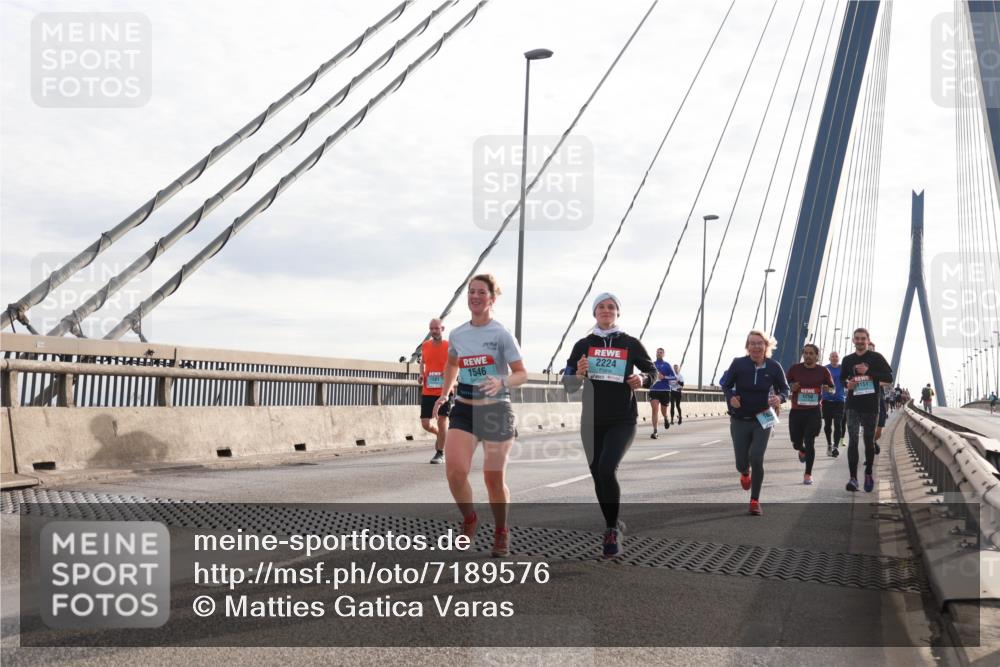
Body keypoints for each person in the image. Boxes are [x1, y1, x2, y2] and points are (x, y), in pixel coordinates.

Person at [433, 274, 527, 558]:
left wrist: (503, 382)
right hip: (464, 408)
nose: (475, 296)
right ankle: (470, 519)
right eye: (471, 292)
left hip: (496, 410)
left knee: (493, 478)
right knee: (455, 473)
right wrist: (445, 391)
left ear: (492, 298)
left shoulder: (501, 334)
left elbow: (521, 373)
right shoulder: (459, 334)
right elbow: (452, 363)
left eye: (481, 292)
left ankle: (501, 530)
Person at [563, 292, 657, 558]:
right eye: (601, 307)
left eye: (611, 307)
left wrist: (643, 379)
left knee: (606, 468)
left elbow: (653, 372)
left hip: (622, 419)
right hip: (591, 420)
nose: (606, 310)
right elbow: (569, 386)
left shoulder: (629, 342)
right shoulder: (583, 344)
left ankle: (611, 530)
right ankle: (613, 522)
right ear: (594, 313)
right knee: (597, 473)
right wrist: (577, 373)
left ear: (617, 313)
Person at [719, 330, 790, 515]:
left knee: (757, 458)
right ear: (747, 346)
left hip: (763, 418)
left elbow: (785, 389)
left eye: (760, 343)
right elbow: (725, 384)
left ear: (766, 346)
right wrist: (731, 397)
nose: (756, 347)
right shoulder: (738, 364)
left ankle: (755, 500)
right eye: (752, 343)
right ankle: (744, 473)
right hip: (740, 418)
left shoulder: (774, 366)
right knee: (741, 462)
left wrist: (779, 399)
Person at [841, 328, 894, 493]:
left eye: (863, 339)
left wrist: (868, 371)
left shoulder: (876, 358)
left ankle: (869, 472)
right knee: (853, 441)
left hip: (871, 405)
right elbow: (842, 378)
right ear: (853, 340)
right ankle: (853, 478)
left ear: (868, 340)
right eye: (857, 338)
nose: (860, 341)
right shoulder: (847, 359)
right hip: (853, 405)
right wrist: (846, 384)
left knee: (869, 441)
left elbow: (889, 378)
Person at [785, 344, 834, 485]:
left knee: (810, 441)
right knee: (796, 442)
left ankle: (808, 474)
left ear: (817, 356)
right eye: (805, 353)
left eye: (811, 353)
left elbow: (833, 389)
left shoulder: (823, 371)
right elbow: (784, 385)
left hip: (814, 412)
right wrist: (791, 387)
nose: (808, 355)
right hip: (796, 411)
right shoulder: (795, 369)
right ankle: (801, 450)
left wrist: (827, 389)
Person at [419, 318, 450, 464]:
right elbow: (422, 362)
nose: (433, 331)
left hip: (444, 390)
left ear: (442, 329)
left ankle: (440, 452)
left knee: (442, 420)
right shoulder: (425, 345)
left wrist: (448, 373)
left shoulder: (449, 345)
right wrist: (420, 374)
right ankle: (442, 436)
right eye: (431, 329)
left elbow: (456, 364)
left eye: (436, 328)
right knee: (425, 423)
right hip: (428, 389)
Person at [647, 348, 676, 439]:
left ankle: (666, 418)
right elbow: (648, 375)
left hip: (665, 391)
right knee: (654, 410)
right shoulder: (652, 364)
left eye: (661, 353)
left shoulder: (667, 365)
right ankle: (655, 431)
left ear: (663, 354)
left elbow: (674, 377)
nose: (659, 354)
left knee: (663, 412)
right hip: (654, 390)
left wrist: (664, 377)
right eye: (658, 352)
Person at [822, 351, 846, 457]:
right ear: (829, 358)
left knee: (838, 424)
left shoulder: (843, 369)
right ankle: (829, 444)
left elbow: (847, 381)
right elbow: (820, 381)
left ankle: (836, 447)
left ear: (838, 358)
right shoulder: (824, 369)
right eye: (832, 356)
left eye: (836, 356)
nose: (835, 358)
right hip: (827, 400)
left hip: (839, 400)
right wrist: (824, 386)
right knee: (827, 425)